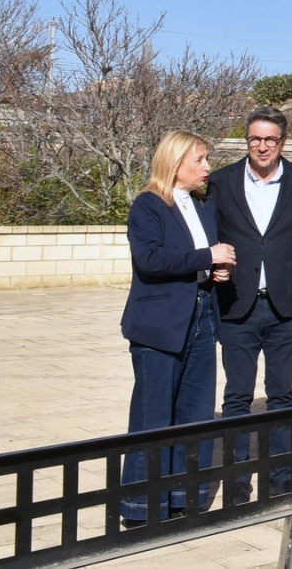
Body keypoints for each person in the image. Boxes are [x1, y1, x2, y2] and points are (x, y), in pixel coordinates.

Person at [209, 107, 292, 502]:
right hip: (236, 305)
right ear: (247, 140)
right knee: (237, 396)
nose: (262, 146)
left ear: (283, 142)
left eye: (270, 140)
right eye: (255, 139)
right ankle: (238, 480)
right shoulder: (222, 181)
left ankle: (280, 480)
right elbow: (208, 237)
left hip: (284, 307)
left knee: (282, 395)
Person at [120, 130, 236, 525]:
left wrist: (212, 269)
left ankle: (186, 499)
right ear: (175, 163)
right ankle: (141, 508)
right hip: (160, 325)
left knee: (196, 413)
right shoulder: (148, 205)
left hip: (203, 316)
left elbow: (189, 260)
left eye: (207, 159)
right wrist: (208, 255)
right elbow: (151, 259)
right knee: (153, 417)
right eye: (200, 160)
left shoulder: (201, 205)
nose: (207, 168)